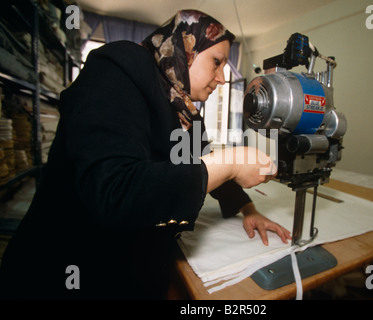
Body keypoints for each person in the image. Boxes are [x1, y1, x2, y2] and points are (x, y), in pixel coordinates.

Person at [0, 9, 291, 299]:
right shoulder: (120, 67)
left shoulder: (186, 112)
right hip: (68, 271)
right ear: (186, 47)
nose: (221, 79)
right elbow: (116, 190)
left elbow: (199, 164)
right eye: (216, 62)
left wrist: (248, 210)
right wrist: (229, 162)